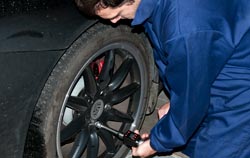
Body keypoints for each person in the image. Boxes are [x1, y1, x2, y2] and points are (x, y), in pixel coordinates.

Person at [75, 0, 250, 157]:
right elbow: (190, 70)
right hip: (223, 44)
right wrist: (177, 104)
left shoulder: (184, 28)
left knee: (222, 147)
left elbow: (192, 97)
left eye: (117, 14)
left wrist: (155, 144)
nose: (114, 22)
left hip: (241, 72)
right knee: (190, 132)